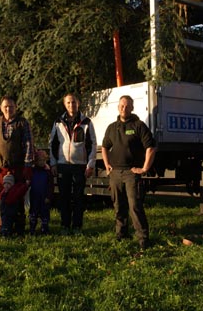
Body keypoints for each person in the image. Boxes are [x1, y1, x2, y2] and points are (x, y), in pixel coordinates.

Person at [101, 95, 156, 250]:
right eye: (121, 106)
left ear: (132, 108)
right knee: (118, 206)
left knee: (135, 206)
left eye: (127, 106)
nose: (123, 108)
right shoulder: (112, 127)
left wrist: (144, 168)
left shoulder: (139, 126)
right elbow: (104, 146)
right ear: (118, 107)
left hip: (132, 173)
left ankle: (143, 239)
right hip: (115, 173)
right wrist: (107, 165)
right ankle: (121, 234)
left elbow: (151, 147)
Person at [0, 95, 34, 236]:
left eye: (11, 106)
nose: (8, 109)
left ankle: (19, 227)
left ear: (15, 107)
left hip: (17, 168)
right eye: (5, 106)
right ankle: (1, 227)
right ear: (1, 108)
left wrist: (28, 166)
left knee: (17, 198)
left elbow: (28, 146)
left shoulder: (22, 124)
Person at [49, 93, 97, 234]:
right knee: (63, 197)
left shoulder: (87, 122)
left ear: (78, 103)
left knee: (78, 198)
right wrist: (53, 164)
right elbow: (52, 143)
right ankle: (65, 225)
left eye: (74, 102)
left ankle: (77, 226)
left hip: (80, 166)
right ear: (65, 104)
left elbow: (92, 144)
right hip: (63, 165)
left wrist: (90, 165)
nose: (71, 105)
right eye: (69, 103)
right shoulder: (58, 122)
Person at [29, 149, 54, 235]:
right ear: (36, 161)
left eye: (44, 160)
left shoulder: (47, 172)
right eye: (39, 160)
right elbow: (29, 183)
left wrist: (48, 196)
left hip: (44, 196)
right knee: (33, 212)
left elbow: (51, 185)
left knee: (45, 213)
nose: (42, 162)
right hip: (34, 196)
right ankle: (32, 228)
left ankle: (45, 228)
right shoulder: (33, 171)